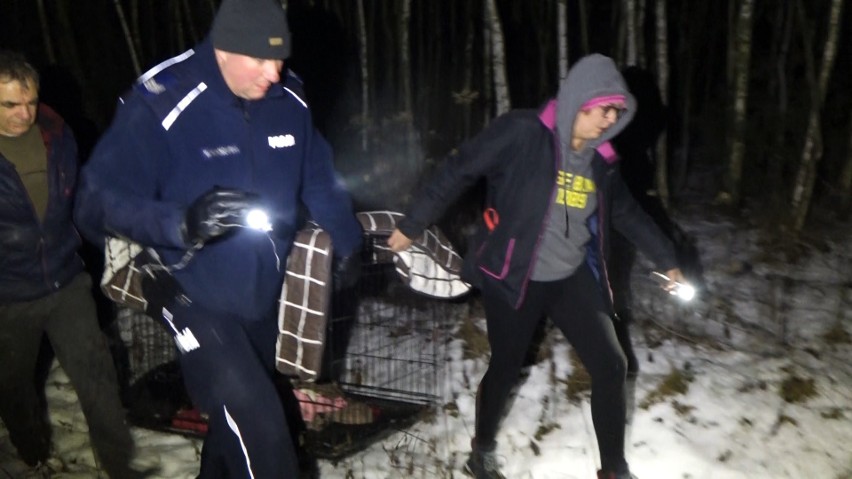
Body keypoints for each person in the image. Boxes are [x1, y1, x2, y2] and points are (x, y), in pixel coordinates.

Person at [74, 0, 363, 477]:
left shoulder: (288, 99)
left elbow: (319, 178)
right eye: (260, 59)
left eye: (280, 58)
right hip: (188, 288)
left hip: (260, 293)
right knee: (266, 435)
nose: (274, 72)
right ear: (224, 48)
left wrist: (348, 240)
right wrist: (180, 222)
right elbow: (93, 202)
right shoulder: (163, 99)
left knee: (235, 430)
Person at [388, 54, 687, 479]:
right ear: (581, 100)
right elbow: (460, 169)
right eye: (605, 109)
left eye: (617, 113)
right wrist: (414, 222)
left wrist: (669, 259)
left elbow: (628, 214)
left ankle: (615, 470)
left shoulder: (602, 163)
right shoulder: (523, 132)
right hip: (515, 273)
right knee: (507, 365)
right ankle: (483, 450)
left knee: (611, 365)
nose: (610, 120)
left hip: (570, 275)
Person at [0, 50, 147, 478]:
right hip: (9, 296)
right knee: (13, 387)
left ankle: (120, 466)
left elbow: (83, 199)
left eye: (29, 101)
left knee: (97, 376)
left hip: (67, 283)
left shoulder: (59, 134)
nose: (23, 113)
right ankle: (31, 451)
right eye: (10, 104)